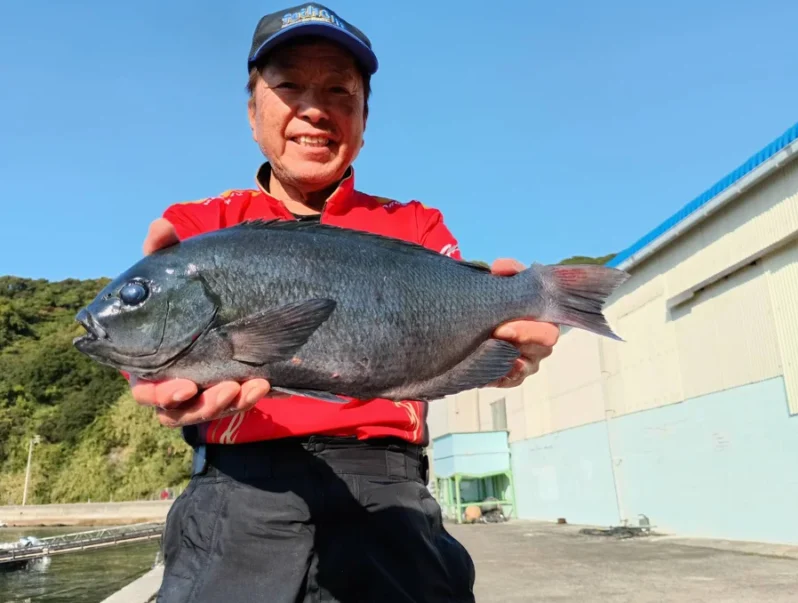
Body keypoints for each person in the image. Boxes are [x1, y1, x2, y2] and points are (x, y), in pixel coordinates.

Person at [132, 4, 560, 602]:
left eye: (340, 91)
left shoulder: (417, 225)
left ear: (363, 119)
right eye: (289, 87)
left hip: (388, 499)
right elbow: (152, 336)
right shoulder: (200, 227)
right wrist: (150, 373)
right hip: (237, 500)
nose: (315, 109)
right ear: (252, 112)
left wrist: (505, 353)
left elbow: (459, 335)